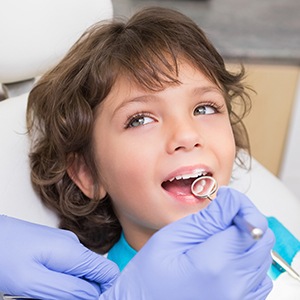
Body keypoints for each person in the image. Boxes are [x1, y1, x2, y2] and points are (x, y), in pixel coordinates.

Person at [1, 6, 276, 300]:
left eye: (204, 108)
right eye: (140, 119)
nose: (187, 135)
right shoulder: (108, 290)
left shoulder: (267, 237)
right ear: (88, 173)